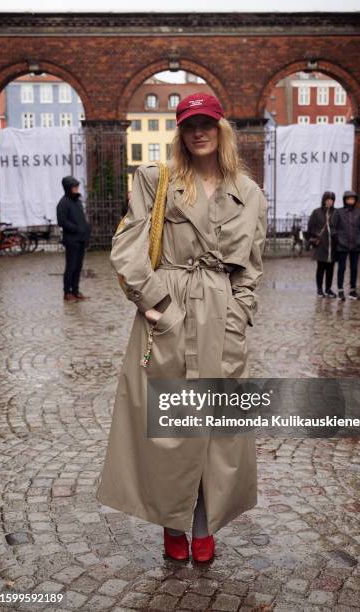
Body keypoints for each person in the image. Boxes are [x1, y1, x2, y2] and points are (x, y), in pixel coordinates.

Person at [96, 93, 268, 562]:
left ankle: (204, 524)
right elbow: (129, 247)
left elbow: (250, 267)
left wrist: (240, 314)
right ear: (180, 131)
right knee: (169, 428)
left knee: (217, 429)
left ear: (221, 127)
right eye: (189, 124)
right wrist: (158, 306)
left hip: (222, 316)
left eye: (207, 122)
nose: (199, 131)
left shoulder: (249, 193)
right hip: (168, 311)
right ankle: (173, 524)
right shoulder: (157, 180)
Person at [56, 176, 91, 302]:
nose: (76, 189)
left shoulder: (77, 201)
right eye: (74, 187)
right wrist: (75, 228)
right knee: (71, 266)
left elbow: (81, 218)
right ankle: (67, 292)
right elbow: (62, 221)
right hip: (71, 240)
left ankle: (75, 291)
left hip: (81, 239)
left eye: (77, 187)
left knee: (78, 266)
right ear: (68, 188)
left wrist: (86, 229)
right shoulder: (63, 203)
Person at [334, 190, 360, 301]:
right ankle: (340, 290)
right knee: (341, 268)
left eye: (352, 199)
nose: (350, 201)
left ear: (355, 200)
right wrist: (339, 239)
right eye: (348, 199)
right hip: (342, 245)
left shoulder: (359, 213)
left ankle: (353, 290)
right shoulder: (339, 212)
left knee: (354, 268)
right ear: (344, 200)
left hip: (356, 245)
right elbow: (334, 228)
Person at [307, 191, 338, 298]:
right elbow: (310, 227)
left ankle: (328, 289)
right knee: (321, 268)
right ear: (324, 200)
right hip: (321, 245)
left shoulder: (336, 213)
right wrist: (316, 235)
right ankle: (319, 289)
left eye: (332, 200)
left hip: (332, 246)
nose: (330, 202)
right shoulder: (317, 212)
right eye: (328, 200)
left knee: (330, 269)